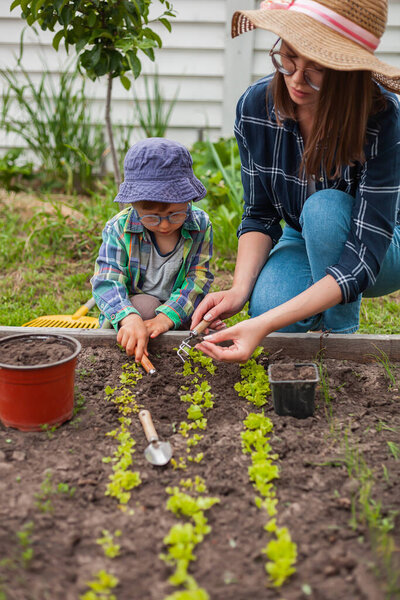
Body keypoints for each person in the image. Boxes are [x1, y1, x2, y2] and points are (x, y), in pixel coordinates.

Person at [192, 0, 400, 363]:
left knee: (323, 210)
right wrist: (240, 291)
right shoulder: (256, 108)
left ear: (347, 71)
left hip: (383, 245)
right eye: (287, 58)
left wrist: (264, 327)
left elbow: (362, 259)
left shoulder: (382, 118)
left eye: (316, 69)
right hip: (301, 235)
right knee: (269, 306)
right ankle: (314, 304)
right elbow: (260, 214)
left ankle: (340, 340)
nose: (296, 79)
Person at [91, 137, 213, 361]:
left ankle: (177, 325)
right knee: (145, 307)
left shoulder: (200, 225)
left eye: (175, 214)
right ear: (134, 205)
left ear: (188, 200)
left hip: (177, 306)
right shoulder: (119, 228)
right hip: (136, 308)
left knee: (208, 316)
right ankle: (137, 331)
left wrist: (166, 318)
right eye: (152, 217)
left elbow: (198, 278)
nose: (165, 225)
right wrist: (129, 318)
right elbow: (107, 281)